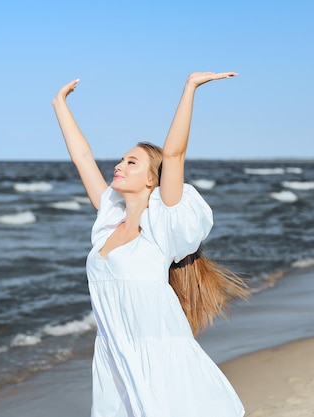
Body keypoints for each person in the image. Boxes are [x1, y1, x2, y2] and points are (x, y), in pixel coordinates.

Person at [52, 72, 248, 417]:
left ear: (150, 179)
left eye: (131, 162)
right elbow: (83, 158)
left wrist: (190, 88)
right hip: (115, 352)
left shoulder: (161, 225)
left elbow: (173, 154)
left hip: (159, 354)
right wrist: (59, 104)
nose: (119, 165)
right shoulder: (107, 222)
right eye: (121, 159)